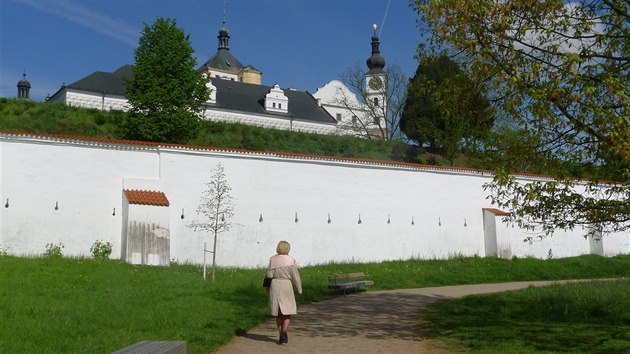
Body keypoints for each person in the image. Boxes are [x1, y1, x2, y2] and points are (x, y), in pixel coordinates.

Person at [266, 240, 302, 345]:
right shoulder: (291, 260)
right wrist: (299, 289)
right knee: (287, 311)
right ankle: (285, 331)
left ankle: (280, 334)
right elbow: (296, 276)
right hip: (286, 285)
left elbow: (269, 275)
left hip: (275, 285)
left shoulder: (272, 259)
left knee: (278, 312)